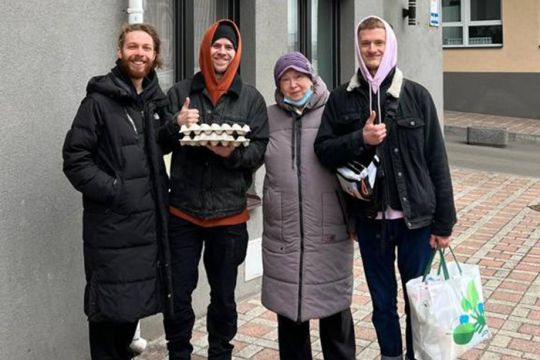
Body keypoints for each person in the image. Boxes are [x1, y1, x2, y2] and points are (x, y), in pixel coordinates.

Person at [314, 16, 457, 360]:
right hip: (370, 221)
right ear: (357, 48)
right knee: (382, 303)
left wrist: (444, 223)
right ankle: (391, 355)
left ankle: (416, 356)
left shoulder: (416, 95)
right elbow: (323, 150)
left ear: (389, 45)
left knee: (417, 302)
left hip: (416, 222)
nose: (372, 49)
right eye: (365, 44)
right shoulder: (341, 99)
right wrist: (359, 139)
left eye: (378, 43)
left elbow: (436, 160)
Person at [158, 20, 269, 360]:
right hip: (183, 213)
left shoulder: (250, 98)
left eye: (229, 47)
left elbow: (259, 148)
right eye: (216, 46)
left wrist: (231, 153)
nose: (222, 51)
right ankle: (179, 352)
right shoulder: (180, 93)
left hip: (229, 216)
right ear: (206, 49)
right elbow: (158, 141)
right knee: (178, 294)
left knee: (223, 296)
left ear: (236, 54)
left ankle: (220, 353)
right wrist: (177, 124)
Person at [62, 23, 172, 360]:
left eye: (146, 48)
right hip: (111, 231)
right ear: (119, 51)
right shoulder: (98, 101)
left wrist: (177, 126)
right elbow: (75, 159)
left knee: (129, 315)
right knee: (108, 318)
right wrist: (114, 190)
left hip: (146, 232)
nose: (139, 53)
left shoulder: (155, 102)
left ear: (155, 56)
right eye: (132, 46)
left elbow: (155, 149)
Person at [261, 52, 356, 360]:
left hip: (328, 230)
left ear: (312, 78)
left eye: (298, 77)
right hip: (283, 233)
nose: (293, 85)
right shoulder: (269, 117)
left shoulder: (334, 112)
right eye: (284, 79)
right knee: (290, 318)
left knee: (335, 315)